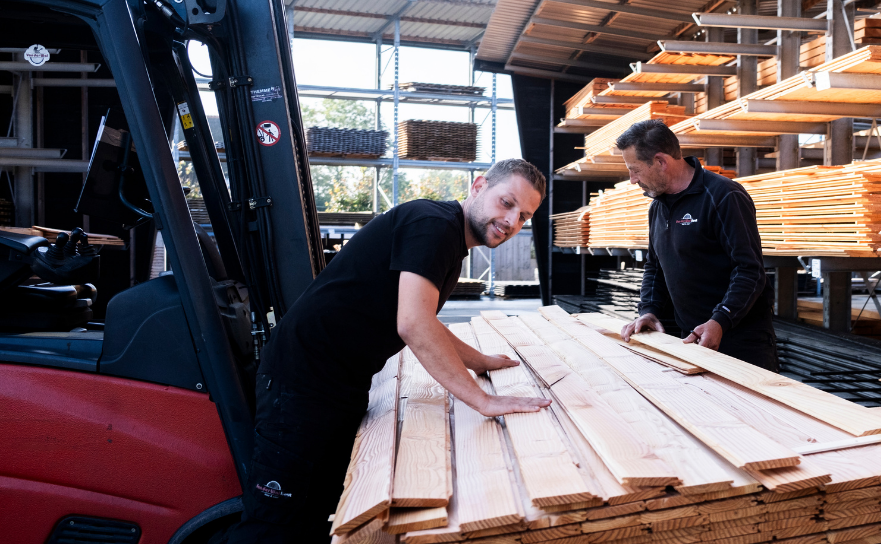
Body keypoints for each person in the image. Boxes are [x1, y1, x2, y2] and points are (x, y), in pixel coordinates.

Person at [220, 159, 551, 543]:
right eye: (506, 203)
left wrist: (483, 362)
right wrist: (483, 401)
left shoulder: (448, 238)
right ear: (478, 187)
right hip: (301, 384)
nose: (512, 221)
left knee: (319, 511)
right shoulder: (434, 224)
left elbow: (423, 319)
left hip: (335, 385)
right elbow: (413, 324)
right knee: (274, 524)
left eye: (524, 216)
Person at [616, 120, 778, 372]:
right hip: (691, 339)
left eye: (634, 169)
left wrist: (720, 321)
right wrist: (648, 311)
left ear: (661, 162)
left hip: (740, 342)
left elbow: (749, 271)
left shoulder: (724, 196)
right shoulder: (657, 207)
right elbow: (655, 267)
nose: (632, 180)